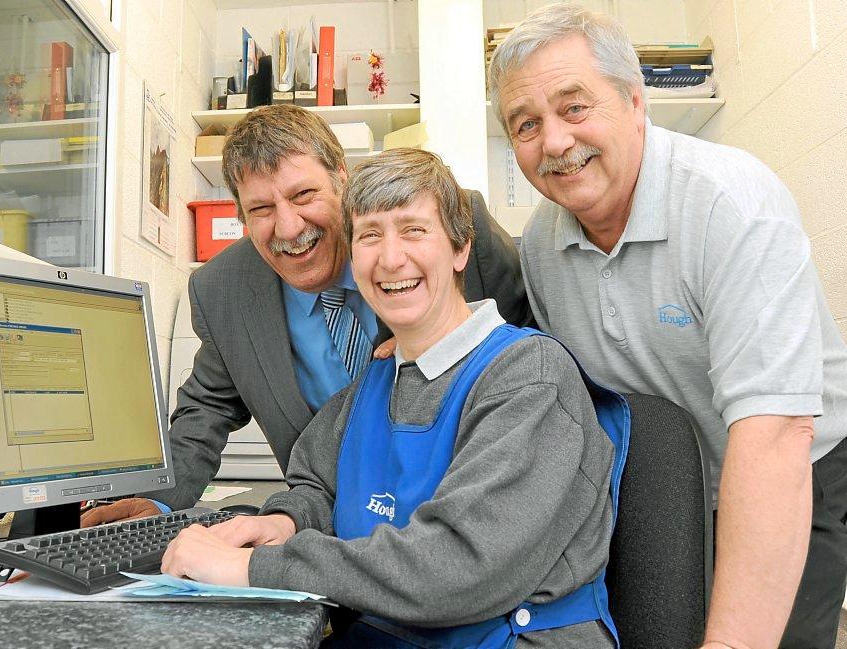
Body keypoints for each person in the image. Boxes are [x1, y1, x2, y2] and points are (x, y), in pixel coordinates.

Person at [160, 148, 630, 648]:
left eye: (412, 230)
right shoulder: (379, 377)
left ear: (460, 249)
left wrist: (252, 567)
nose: (390, 258)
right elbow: (319, 487)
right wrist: (285, 520)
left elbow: (456, 567)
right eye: (369, 235)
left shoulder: (528, 376)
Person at [488, 5, 847, 649]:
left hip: (793, 463)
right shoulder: (542, 245)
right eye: (526, 124)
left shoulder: (730, 204)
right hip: (665, 485)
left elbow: (775, 434)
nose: (555, 143)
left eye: (575, 108)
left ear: (634, 100)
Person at [82, 105, 530, 524]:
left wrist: (442, 336)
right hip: (322, 522)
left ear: (342, 179)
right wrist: (161, 501)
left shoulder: (449, 229)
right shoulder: (222, 290)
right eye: (261, 209)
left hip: (468, 510)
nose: (289, 227)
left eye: (304, 195)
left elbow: (526, 343)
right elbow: (207, 407)